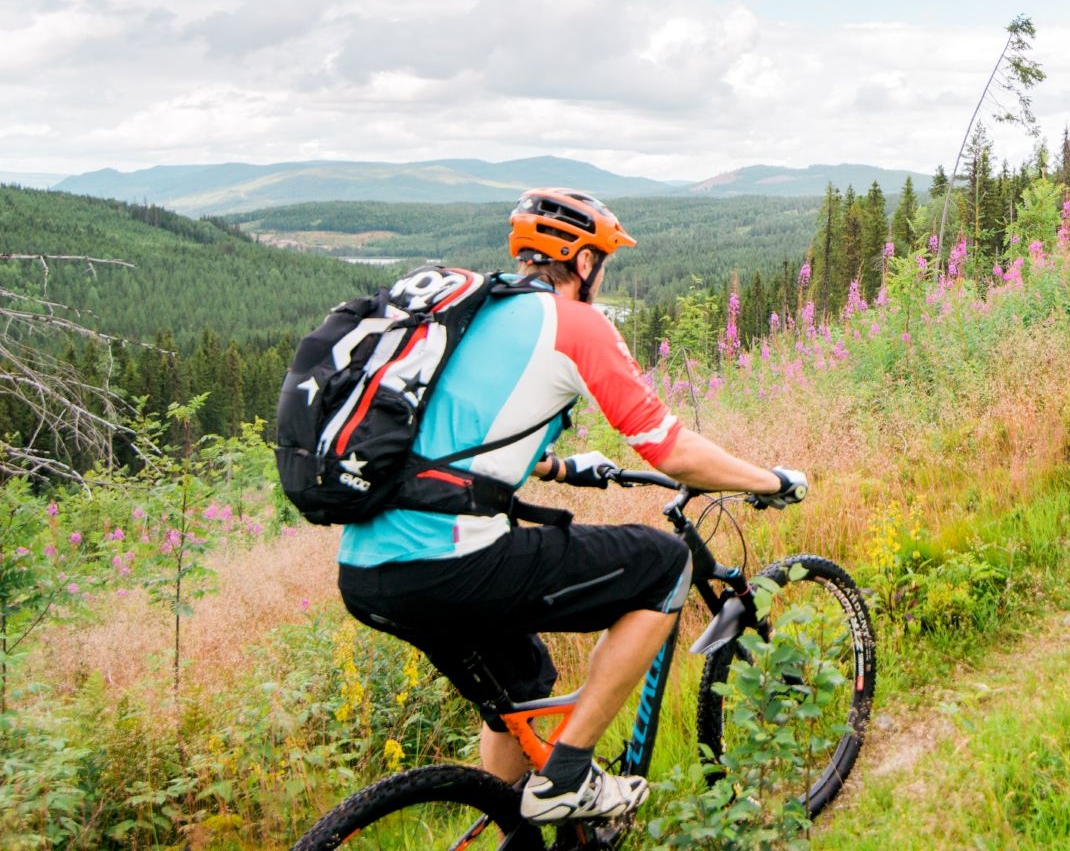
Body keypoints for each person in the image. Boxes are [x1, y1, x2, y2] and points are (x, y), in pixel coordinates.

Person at [334, 188, 808, 824]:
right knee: (667, 564)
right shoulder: (577, 323)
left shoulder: (476, 313)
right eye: (604, 260)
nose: (604, 272)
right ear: (583, 263)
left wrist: (560, 467)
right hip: (450, 561)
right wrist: (766, 482)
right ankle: (569, 774)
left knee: (523, 690)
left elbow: (462, 438)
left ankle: (507, 829)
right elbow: (668, 447)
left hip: (367, 569)